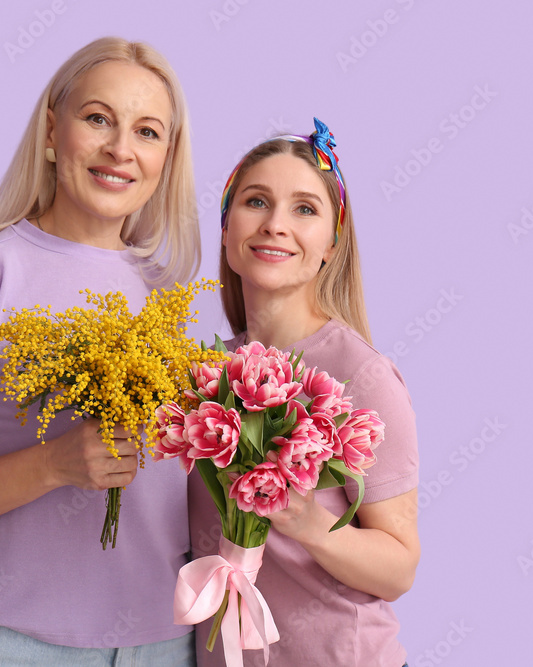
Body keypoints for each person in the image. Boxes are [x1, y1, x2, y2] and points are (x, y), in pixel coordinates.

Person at [0, 37, 200, 666]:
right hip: (14, 647)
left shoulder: (168, 296)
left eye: (147, 132)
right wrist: (55, 464)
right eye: (97, 119)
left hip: (164, 645)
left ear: (167, 157)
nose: (120, 149)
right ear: (53, 133)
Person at [188, 119, 420, 666]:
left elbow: (400, 567)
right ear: (224, 228)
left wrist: (310, 525)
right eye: (256, 201)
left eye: (305, 209)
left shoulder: (362, 376)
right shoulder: (200, 376)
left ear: (332, 245)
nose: (275, 225)